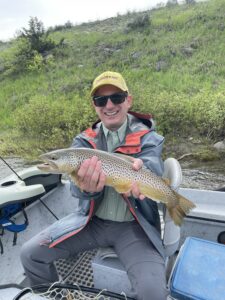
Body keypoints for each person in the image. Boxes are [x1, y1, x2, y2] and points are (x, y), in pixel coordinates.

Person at [20, 71, 168, 300]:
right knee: (30, 255)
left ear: (128, 100)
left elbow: (153, 165)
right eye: (101, 100)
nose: (109, 105)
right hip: (90, 222)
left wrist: (143, 170)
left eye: (116, 97)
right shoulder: (81, 143)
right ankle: (54, 296)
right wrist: (87, 189)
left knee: (153, 293)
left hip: (133, 227)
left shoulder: (149, 137)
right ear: (95, 106)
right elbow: (75, 191)